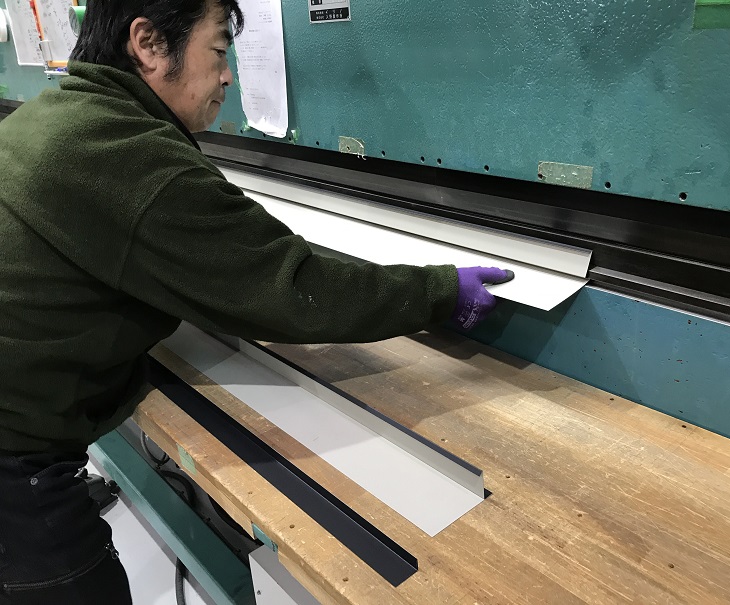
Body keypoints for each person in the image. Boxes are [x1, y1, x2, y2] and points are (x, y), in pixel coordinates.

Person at [0, 0, 512, 602]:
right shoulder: (131, 158)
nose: (227, 77)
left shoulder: (56, 113)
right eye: (219, 51)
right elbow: (293, 288)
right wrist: (441, 290)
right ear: (149, 44)